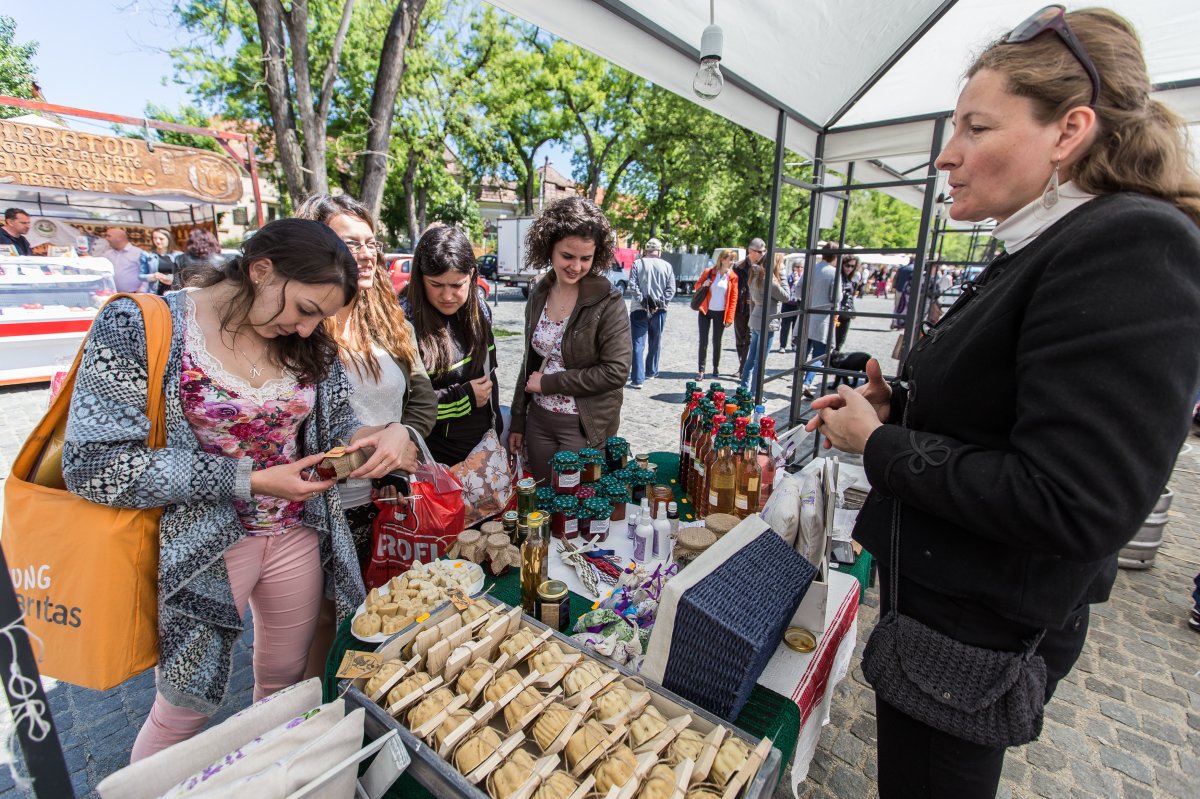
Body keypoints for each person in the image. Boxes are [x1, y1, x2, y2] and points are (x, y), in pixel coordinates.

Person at [807, 8, 1200, 797]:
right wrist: (903, 402)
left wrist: (877, 444)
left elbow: (1072, 499)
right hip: (946, 617)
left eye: (975, 127)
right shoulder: (1050, 240)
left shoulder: (1129, 244)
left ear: (1069, 131)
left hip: (978, 634)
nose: (947, 155)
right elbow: (1008, 405)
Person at [62, 219, 416, 759]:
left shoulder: (307, 341)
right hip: (202, 546)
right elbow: (94, 464)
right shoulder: (140, 322)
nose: (305, 329)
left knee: (284, 686)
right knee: (183, 707)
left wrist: (388, 433)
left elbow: (336, 429)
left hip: (294, 531)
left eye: (319, 318)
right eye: (303, 309)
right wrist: (244, 480)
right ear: (260, 270)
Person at [295, 193, 435, 678]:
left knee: (379, 613)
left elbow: (422, 397)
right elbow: (293, 432)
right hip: (318, 508)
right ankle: (318, 712)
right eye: (350, 243)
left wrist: (406, 433)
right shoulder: (298, 326)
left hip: (386, 502)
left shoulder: (389, 318)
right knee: (321, 624)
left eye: (371, 242)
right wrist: (377, 448)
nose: (367, 253)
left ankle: (365, 704)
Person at [508, 197, 631, 485]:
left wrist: (550, 383)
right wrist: (518, 420)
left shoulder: (608, 301)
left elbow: (616, 371)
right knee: (541, 501)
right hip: (538, 420)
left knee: (574, 511)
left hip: (583, 426)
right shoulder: (539, 292)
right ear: (548, 248)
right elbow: (530, 363)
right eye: (567, 256)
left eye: (585, 258)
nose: (576, 266)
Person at [399, 224, 501, 465]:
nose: (447, 296)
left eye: (457, 285)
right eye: (436, 285)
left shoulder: (481, 310)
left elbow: (491, 375)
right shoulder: (403, 322)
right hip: (433, 464)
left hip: (483, 454)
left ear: (473, 276)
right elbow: (404, 409)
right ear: (419, 278)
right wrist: (463, 397)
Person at [627, 237, 676, 388]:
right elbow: (671, 289)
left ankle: (637, 379)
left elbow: (632, 285)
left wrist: (644, 301)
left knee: (637, 343)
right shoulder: (667, 266)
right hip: (660, 310)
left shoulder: (637, 263)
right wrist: (659, 303)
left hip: (639, 309)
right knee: (655, 341)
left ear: (646, 250)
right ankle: (651, 371)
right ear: (659, 251)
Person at [740, 252, 787, 394]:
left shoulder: (755, 276)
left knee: (751, 358)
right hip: (767, 322)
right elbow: (786, 296)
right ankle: (755, 392)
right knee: (760, 361)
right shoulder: (769, 280)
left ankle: (744, 388)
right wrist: (783, 275)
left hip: (755, 319)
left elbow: (752, 303)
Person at [693, 248, 739, 381]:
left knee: (717, 341)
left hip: (721, 312)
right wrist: (704, 284)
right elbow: (697, 286)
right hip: (705, 310)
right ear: (722, 260)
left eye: (733, 260)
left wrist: (730, 317)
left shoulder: (733, 277)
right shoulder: (709, 272)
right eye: (730, 259)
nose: (732, 262)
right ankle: (701, 370)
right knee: (703, 340)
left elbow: (733, 299)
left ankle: (715, 367)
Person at [797, 247, 837, 397]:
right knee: (819, 354)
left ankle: (801, 381)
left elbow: (798, 289)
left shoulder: (810, 269)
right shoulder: (833, 272)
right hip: (822, 319)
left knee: (803, 353)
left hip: (806, 316)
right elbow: (836, 297)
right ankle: (806, 382)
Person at [732, 238, 765, 374]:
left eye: (763, 251)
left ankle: (744, 369)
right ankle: (742, 365)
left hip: (756, 307)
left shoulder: (764, 266)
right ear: (750, 251)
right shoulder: (738, 266)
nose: (761, 254)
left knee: (750, 339)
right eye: (758, 251)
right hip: (741, 308)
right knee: (740, 339)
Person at [102, 227, 146, 293]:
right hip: (113, 295)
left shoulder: (138, 253)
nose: (106, 238)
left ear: (119, 238)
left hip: (134, 295)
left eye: (109, 236)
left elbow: (148, 274)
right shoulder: (107, 254)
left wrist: (142, 291)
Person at [139, 227, 177, 296]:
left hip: (174, 292)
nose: (157, 241)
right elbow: (141, 276)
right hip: (155, 293)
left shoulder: (177, 255)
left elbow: (182, 276)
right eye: (154, 238)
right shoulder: (147, 255)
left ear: (168, 239)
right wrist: (154, 276)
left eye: (161, 239)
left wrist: (168, 278)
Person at [834, 255, 861, 349]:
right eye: (847, 265)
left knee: (840, 341)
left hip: (846, 314)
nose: (849, 268)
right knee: (832, 341)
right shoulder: (838, 277)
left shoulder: (851, 279)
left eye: (852, 266)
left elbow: (850, 297)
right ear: (842, 265)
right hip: (836, 313)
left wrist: (852, 310)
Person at [778, 259, 803, 351]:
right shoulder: (788, 277)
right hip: (788, 304)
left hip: (798, 304)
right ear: (793, 268)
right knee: (785, 326)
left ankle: (794, 344)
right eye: (797, 267)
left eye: (801, 267)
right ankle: (782, 345)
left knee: (796, 327)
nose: (799, 269)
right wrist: (794, 281)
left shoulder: (803, 278)